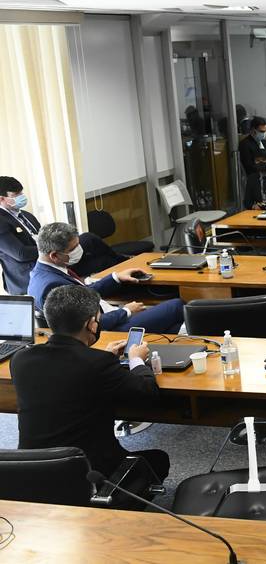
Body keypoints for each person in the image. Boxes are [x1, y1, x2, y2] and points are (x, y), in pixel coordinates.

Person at [11, 285, 170, 482]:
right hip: (89, 475)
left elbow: (64, 371)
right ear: (91, 325)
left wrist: (102, 357)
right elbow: (147, 393)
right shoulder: (98, 363)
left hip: (30, 470)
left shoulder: (20, 359)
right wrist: (136, 359)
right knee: (159, 460)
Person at [28, 223, 184, 333]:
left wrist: (116, 277)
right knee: (177, 306)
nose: (79, 250)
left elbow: (83, 295)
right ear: (54, 255)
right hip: (110, 329)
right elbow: (84, 326)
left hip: (111, 316)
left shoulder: (48, 271)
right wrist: (126, 311)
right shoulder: (51, 285)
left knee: (175, 329)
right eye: (73, 248)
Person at [0, 176, 41, 295]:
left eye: (21, 193)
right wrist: (51, 248)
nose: (21, 197)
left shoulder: (27, 215)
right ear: (2, 198)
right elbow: (21, 254)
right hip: (25, 282)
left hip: (43, 270)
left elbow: (44, 237)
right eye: (16, 195)